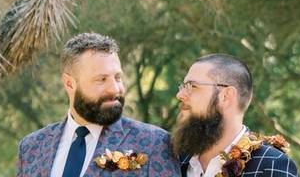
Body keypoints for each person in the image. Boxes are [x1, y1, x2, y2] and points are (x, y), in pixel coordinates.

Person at [17, 33, 180, 177]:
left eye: (117, 77)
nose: (114, 89)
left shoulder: (155, 143)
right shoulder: (31, 147)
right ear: (69, 84)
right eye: (101, 79)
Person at [172, 54, 299, 177]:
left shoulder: (271, 165)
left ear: (226, 96)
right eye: (183, 86)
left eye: (192, 86)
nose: (180, 95)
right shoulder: (171, 157)